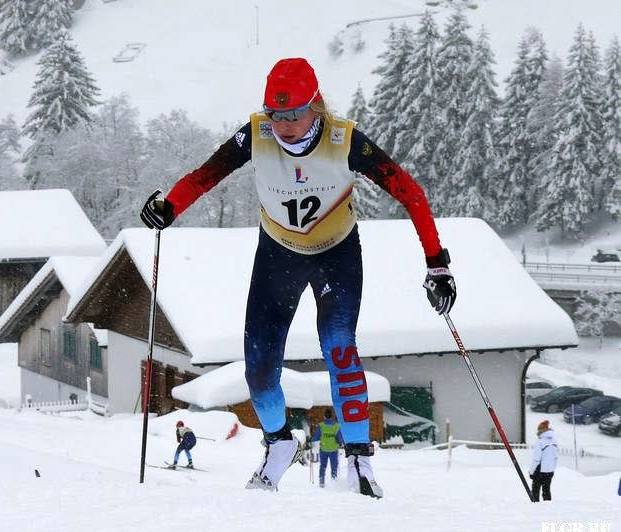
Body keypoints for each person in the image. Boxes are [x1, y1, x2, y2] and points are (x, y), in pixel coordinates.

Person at [140, 57, 457, 498]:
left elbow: (411, 193)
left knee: (340, 351)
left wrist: (437, 263)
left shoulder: (345, 139)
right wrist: (169, 206)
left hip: (336, 256)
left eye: (294, 114)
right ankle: (279, 445)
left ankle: (359, 460)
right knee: (259, 368)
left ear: (316, 106)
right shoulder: (256, 134)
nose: (284, 125)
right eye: (276, 114)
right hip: (278, 256)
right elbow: (205, 176)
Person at [311, 409, 344, 487]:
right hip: (333, 449)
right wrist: (341, 443)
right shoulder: (336, 426)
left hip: (323, 449)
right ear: (331, 416)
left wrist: (311, 440)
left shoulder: (321, 425)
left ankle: (321, 481)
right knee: (334, 465)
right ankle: (334, 480)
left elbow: (316, 437)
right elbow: (339, 438)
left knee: (323, 465)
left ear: (324, 416)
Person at [529, 419, 558, 501]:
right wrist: (552, 469)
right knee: (546, 491)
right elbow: (556, 457)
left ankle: (535, 505)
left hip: (540, 471)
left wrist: (531, 471)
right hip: (550, 471)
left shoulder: (540, 442)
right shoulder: (554, 441)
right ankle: (548, 505)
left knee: (535, 491)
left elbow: (536, 459)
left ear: (541, 430)